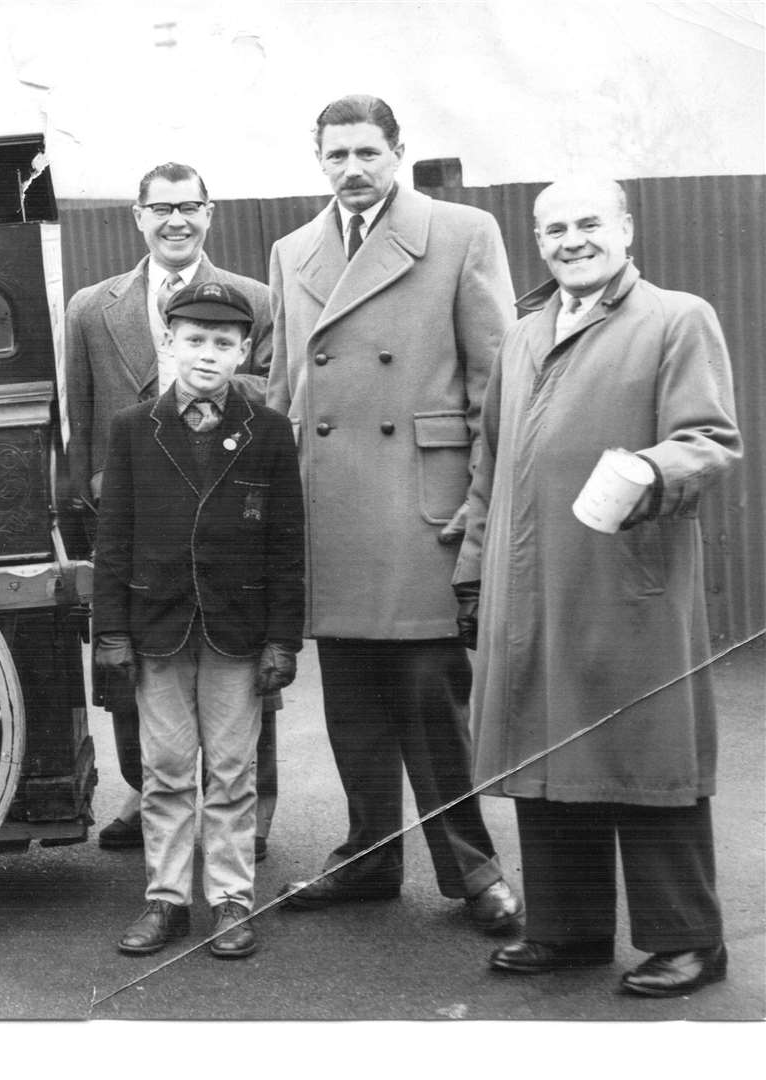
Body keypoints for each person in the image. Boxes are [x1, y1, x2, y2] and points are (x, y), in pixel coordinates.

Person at [458, 177, 741, 996]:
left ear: (624, 229)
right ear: (537, 241)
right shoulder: (522, 333)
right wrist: (474, 569)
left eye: (589, 223)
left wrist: (651, 468)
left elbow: (711, 441)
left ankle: (689, 939)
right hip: (526, 583)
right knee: (546, 754)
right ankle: (570, 929)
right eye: (554, 229)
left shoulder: (677, 318)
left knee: (646, 757)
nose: (572, 239)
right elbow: (490, 464)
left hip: (626, 581)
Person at [266, 94, 521, 932]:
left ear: (398, 151)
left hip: (422, 511)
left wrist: (479, 509)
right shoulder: (292, 250)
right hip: (329, 510)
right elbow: (283, 397)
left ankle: (473, 870)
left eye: (367, 152)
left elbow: (497, 390)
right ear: (319, 159)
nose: (352, 169)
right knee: (353, 708)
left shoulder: (460, 232)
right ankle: (368, 857)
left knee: (431, 704)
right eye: (336, 154)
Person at [63, 161, 282, 859]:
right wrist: (80, 503)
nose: (175, 221)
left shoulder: (255, 299)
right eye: (161, 209)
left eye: (189, 207)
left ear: (210, 213)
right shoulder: (92, 306)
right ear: (138, 216)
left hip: (225, 511)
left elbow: (278, 389)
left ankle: (248, 814)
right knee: (133, 664)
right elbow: (80, 413)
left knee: (239, 667)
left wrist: (192, 372)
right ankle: (146, 793)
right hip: (127, 511)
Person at [95, 282, 303, 959]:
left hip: (237, 632)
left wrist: (283, 639)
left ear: (244, 350)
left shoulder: (268, 432)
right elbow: (114, 540)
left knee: (234, 771)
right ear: (170, 343)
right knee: (167, 768)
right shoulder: (133, 430)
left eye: (222, 344)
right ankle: (166, 899)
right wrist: (114, 633)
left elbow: (286, 542)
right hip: (158, 627)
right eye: (194, 341)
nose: (207, 355)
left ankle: (232, 899)